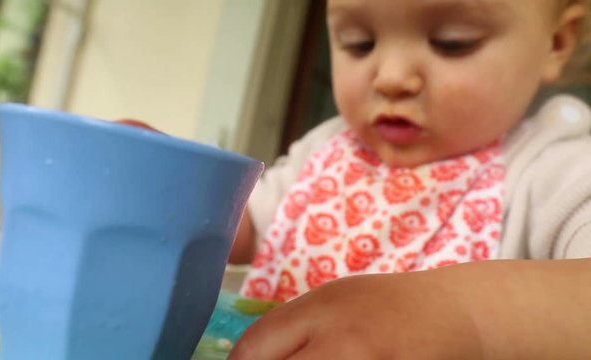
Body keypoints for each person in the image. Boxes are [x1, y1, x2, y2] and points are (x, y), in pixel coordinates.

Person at [226, 0, 591, 358]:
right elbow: (244, 228)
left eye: (452, 42)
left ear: (556, 42)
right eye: (359, 43)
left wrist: (465, 317)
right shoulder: (325, 148)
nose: (391, 77)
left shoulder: (556, 168)